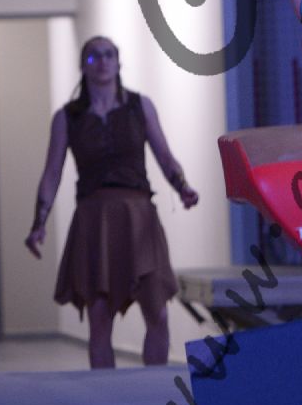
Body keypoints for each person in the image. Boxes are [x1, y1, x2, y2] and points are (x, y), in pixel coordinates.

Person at [24, 36, 198, 368]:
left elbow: (164, 156)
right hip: (95, 220)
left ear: (118, 63)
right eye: (94, 56)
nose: (102, 61)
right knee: (100, 318)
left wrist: (182, 187)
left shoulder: (139, 106)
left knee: (157, 311)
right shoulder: (68, 117)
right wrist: (39, 223)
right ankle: (106, 393)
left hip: (139, 217)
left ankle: (154, 389)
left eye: (109, 55)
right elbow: (52, 173)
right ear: (83, 66)